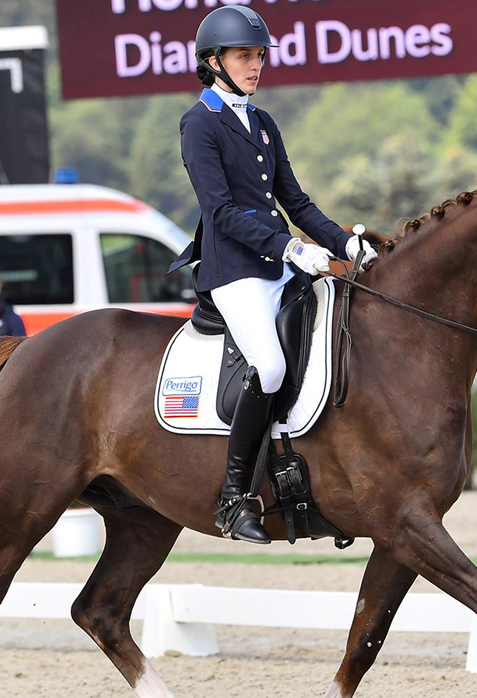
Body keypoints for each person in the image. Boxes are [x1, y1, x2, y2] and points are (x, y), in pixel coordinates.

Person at [168, 7, 378, 545]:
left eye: (259, 55)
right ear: (213, 61)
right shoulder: (199, 124)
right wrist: (289, 248)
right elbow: (221, 213)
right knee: (269, 365)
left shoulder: (262, 123)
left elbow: (295, 201)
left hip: (277, 265)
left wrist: (344, 242)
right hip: (235, 271)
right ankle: (235, 496)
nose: (256, 65)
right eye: (245, 56)